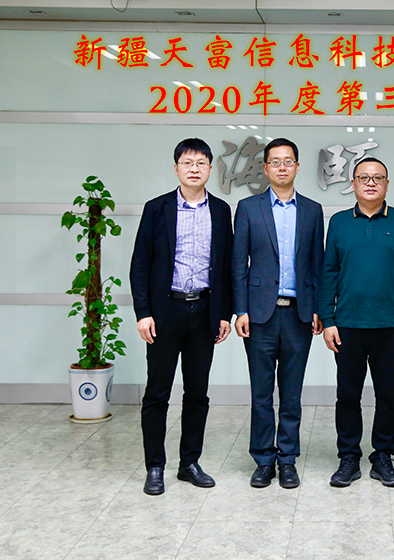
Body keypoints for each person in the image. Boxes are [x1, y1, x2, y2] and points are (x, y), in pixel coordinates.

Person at [129, 138, 233, 496]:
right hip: (165, 312)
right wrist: (143, 312)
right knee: (157, 392)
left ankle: (189, 462)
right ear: (176, 168)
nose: (194, 169)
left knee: (197, 392)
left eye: (201, 163)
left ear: (210, 169)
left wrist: (224, 313)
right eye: (187, 163)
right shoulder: (156, 208)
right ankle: (155, 466)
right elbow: (140, 265)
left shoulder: (221, 210)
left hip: (204, 310)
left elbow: (226, 266)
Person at [318, 157, 394, 488]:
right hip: (347, 325)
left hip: (391, 325)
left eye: (378, 178)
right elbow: (328, 273)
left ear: (387, 184)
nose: (371, 183)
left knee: (387, 395)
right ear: (353, 184)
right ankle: (349, 456)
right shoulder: (339, 222)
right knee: (347, 395)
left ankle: (382, 456)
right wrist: (328, 319)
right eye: (364, 177)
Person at [232, 138, 324, 489]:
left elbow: (317, 264)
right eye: (275, 161)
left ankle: (287, 460)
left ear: (297, 167)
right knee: (260, 394)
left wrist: (318, 309)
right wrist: (240, 309)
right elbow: (238, 263)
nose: (282, 167)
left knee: (291, 394)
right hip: (259, 315)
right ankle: (263, 460)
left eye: (288, 161)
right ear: (265, 168)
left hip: (299, 314)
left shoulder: (313, 210)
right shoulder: (248, 208)